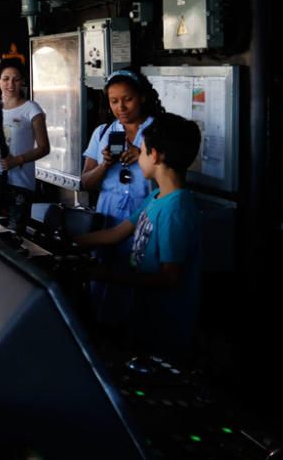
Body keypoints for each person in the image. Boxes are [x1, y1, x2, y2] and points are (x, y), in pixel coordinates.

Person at [73, 112, 203, 357]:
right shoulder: (155, 198)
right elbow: (116, 233)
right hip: (143, 317)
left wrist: (107, 275)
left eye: (141, 151)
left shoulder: (176, 210)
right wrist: (69, 243)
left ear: (154, 155)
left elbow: (169, 279)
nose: (138, 157)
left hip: (166, 328)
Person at [80, 68, 164, 325]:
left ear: (141, 97)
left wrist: (142, 154)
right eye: (114, 101)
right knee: (104, 276)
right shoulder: (103, 132)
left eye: (127, 99)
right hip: (109, 214)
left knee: (139, 276)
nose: (121, 107)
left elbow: (173, 176)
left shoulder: (159, 131)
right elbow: (85, 182)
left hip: (145, 213)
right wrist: (104, 165)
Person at [0, 58, 49, 229]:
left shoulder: (32, 109)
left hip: (18, 185)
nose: (10, 84)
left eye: (16, 79)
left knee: (14, 237)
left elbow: (44, 147)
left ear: (22, 81)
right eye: (5, 79)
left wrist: (17, 160)